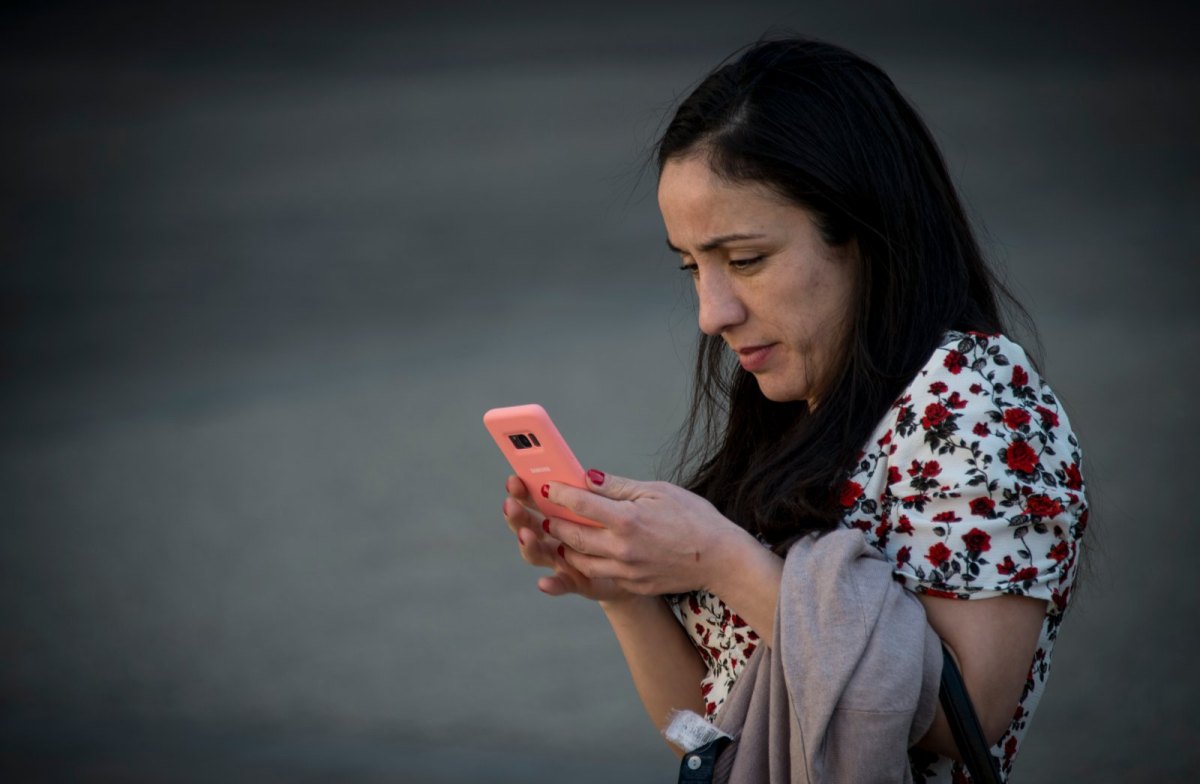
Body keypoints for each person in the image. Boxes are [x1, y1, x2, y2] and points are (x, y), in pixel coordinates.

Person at [500, 36, 1087, 782]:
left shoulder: (974, 395)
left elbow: (964, 719)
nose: (712, 312)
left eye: (744, 260)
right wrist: (623, 590)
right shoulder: (802, 396)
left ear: (865, 234)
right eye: (692, 267)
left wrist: (718, 557)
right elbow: (707, 734)